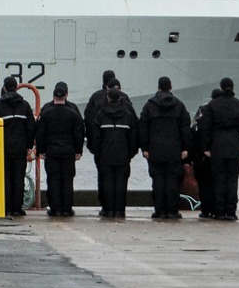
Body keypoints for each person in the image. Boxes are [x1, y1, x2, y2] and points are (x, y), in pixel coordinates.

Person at [194, 78, 239, 221]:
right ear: (233, 88)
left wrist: (206, 147)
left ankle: (219, 211)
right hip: (235, 148)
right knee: (232, 181)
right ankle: (231, 212)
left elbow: (205, 128)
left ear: (220, 88)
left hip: (217, 148)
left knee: (219, 181)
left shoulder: (212, 106)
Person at [87, 75, 139, 219]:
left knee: (107, 181)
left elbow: (95, 134)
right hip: (123, 154)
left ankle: (107, 209)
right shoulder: (127, 113)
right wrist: (131, 152)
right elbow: (134, 134)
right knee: (121, 183)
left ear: (108, 96)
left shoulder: (100, 114)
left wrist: (96, 151)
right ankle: (120, 210)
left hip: (105, 154)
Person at [138, 76, 189, 221]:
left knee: (158, 180)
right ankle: (172, 211)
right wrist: (185, 148)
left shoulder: (149, 105)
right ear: (171, 87)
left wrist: (145, 148)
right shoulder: (179, 105)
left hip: (155, 150)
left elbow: (143, 128)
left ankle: (159, 210)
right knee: (173, 181)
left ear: (158, 87)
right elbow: (185, 128)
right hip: (174, 149)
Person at [33, 82, 86, 217]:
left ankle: (55, 208)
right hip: (68, 151)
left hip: (52, 151)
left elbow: (40, 133)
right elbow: (79, 133)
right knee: (67, 180)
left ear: (53, 95)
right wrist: (78, 151)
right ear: (66, 95)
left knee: (53, 180)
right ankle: (67, 208)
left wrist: (40, 150)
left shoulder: (46, 111)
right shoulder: (73, 112)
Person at [0, 75, 35, 217]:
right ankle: (17, 207)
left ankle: (6, 206)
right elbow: (31, 126)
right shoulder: (24, 105)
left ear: (4, 88)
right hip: (20, 148)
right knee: (18, 178)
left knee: (5, 177)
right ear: (16, 87)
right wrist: (29, 145)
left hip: (2, 148)